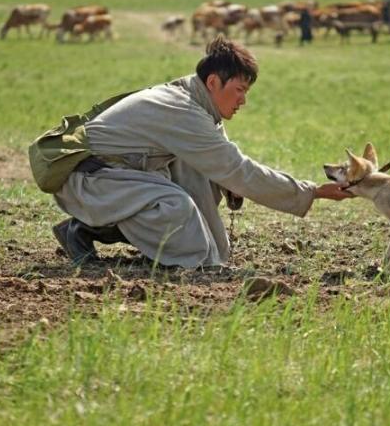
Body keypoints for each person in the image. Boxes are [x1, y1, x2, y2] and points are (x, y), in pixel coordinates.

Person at [50, 35, 353, 269]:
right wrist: (313, 191)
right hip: (88, 181)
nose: (243, 101)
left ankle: (117, 233)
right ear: (213, 82)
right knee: (177, 208)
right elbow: (238, 170)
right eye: (240, 90)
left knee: (206, 209)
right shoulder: (181, 110)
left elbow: (226, 166)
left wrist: (230, 183)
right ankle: (85, 228)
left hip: (117, 177)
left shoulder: (197, 103)